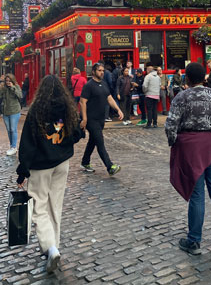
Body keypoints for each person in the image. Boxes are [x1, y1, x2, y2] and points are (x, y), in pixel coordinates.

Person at [165, 62, 211, 256]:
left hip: (192, 149)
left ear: (187, 78)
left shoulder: (182, 97)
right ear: (205, 77)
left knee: (197, 195)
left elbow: (170, 126)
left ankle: (194, 241)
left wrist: (175, 143)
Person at [16, 75, 85, 273]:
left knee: (39, 207)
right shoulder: (67, 108)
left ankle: (50, 247)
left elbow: (28, 144)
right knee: (55, 205)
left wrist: (23, 171)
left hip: (41, 165)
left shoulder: (36, 110)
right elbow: (76, 133)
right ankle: (54, 244)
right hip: (61, 163)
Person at [80, 62, 123, 174]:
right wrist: (84, 119)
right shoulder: (89, 85)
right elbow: (83, 102)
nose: (102, 72)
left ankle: (85, 161)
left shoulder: (104, 84)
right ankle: (110, 167)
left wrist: (118, 109)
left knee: (93, 141)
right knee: (100, 142)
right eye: (99, 70)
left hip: (100, 119)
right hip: (91, 119)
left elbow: (109, 98)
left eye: (103, 70)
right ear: (93, 72)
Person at [0, 73, 22, 156]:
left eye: (9, 81)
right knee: (9, 130)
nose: (7, 82)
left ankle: (14, 147)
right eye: (6, 81)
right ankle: (12, 146)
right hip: (5, 111)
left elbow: (20, 96)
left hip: (14, 111)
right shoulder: (4, 88)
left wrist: (12, 87)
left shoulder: (16, 86)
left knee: (13, 129)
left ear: (12, 80)